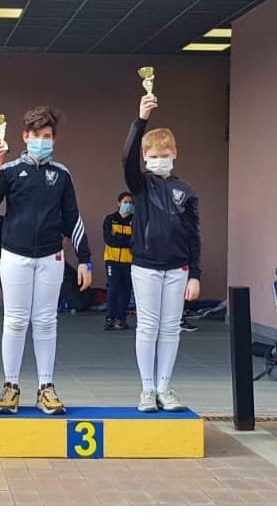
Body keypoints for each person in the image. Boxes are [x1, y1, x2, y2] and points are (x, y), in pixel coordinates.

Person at [0, 107, 92, 415]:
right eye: (37, 135)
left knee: (45, 321)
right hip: (14, 255)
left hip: (50, 257)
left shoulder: (62, 174)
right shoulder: (10, 170)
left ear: (54, 139)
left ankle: (46, 388)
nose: (42, 141)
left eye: (48, 136)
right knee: (15, 321)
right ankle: (10, 386)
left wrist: (84, 259)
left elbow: (73, 218)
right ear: (24, 137)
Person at [124, 94, 201, 412]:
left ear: (175, 154)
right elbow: (126, 157)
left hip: (178, 268)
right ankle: (146, 389)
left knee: (170, 328)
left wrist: (195, 274)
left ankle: (164, 388)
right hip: (145, 265)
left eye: (165, 155)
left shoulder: (187, 191)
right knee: (147, 326)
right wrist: (141, 120)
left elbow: (194, 235)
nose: (160, 160)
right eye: (153, 156)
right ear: (145, 157)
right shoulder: (140, 185)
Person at [103, 192, 134, 330]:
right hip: (112, 259)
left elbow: (135, 241)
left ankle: (121, 319)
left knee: (126, 289)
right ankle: (110, 318)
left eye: (131, 203)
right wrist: (126, 240)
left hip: (129, 260)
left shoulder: (135, 221)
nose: (128, 205)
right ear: (119, 203)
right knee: (113, 287)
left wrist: (118, 237)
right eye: (125, 202)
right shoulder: (110, 219)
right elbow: (109, 240)